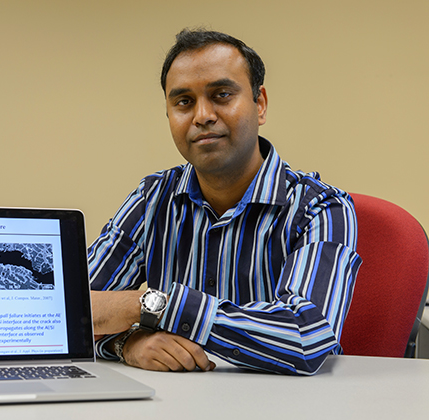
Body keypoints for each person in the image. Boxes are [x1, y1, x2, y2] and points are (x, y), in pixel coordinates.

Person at [88, 28, 362, 376]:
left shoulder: (321, 207)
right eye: (183, 102)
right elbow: (66, 312)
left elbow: (306, 339)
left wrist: (156, 307)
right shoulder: (152, 198)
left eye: (221, 94)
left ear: (259, 104)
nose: (202, 115)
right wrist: (123, 344)